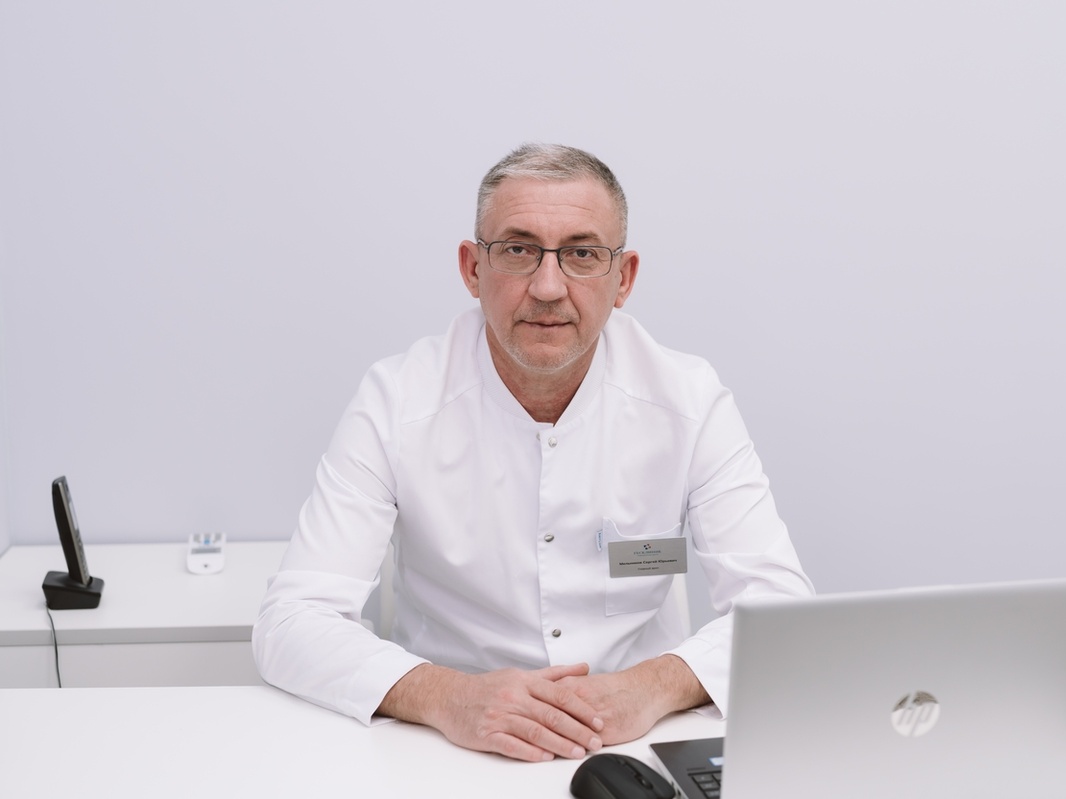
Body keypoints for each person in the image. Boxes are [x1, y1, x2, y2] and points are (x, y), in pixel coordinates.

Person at [252, 143, 813, 763]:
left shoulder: (689, 401)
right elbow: (292, 621)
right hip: (444, 744)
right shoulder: (397, 401)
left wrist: (650, 687)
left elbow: (782, 612)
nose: (548, 287)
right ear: (472, 269)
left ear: (623, 278)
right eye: (518, 250)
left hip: (640, 742)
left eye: (581, 254)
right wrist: (447, 696)